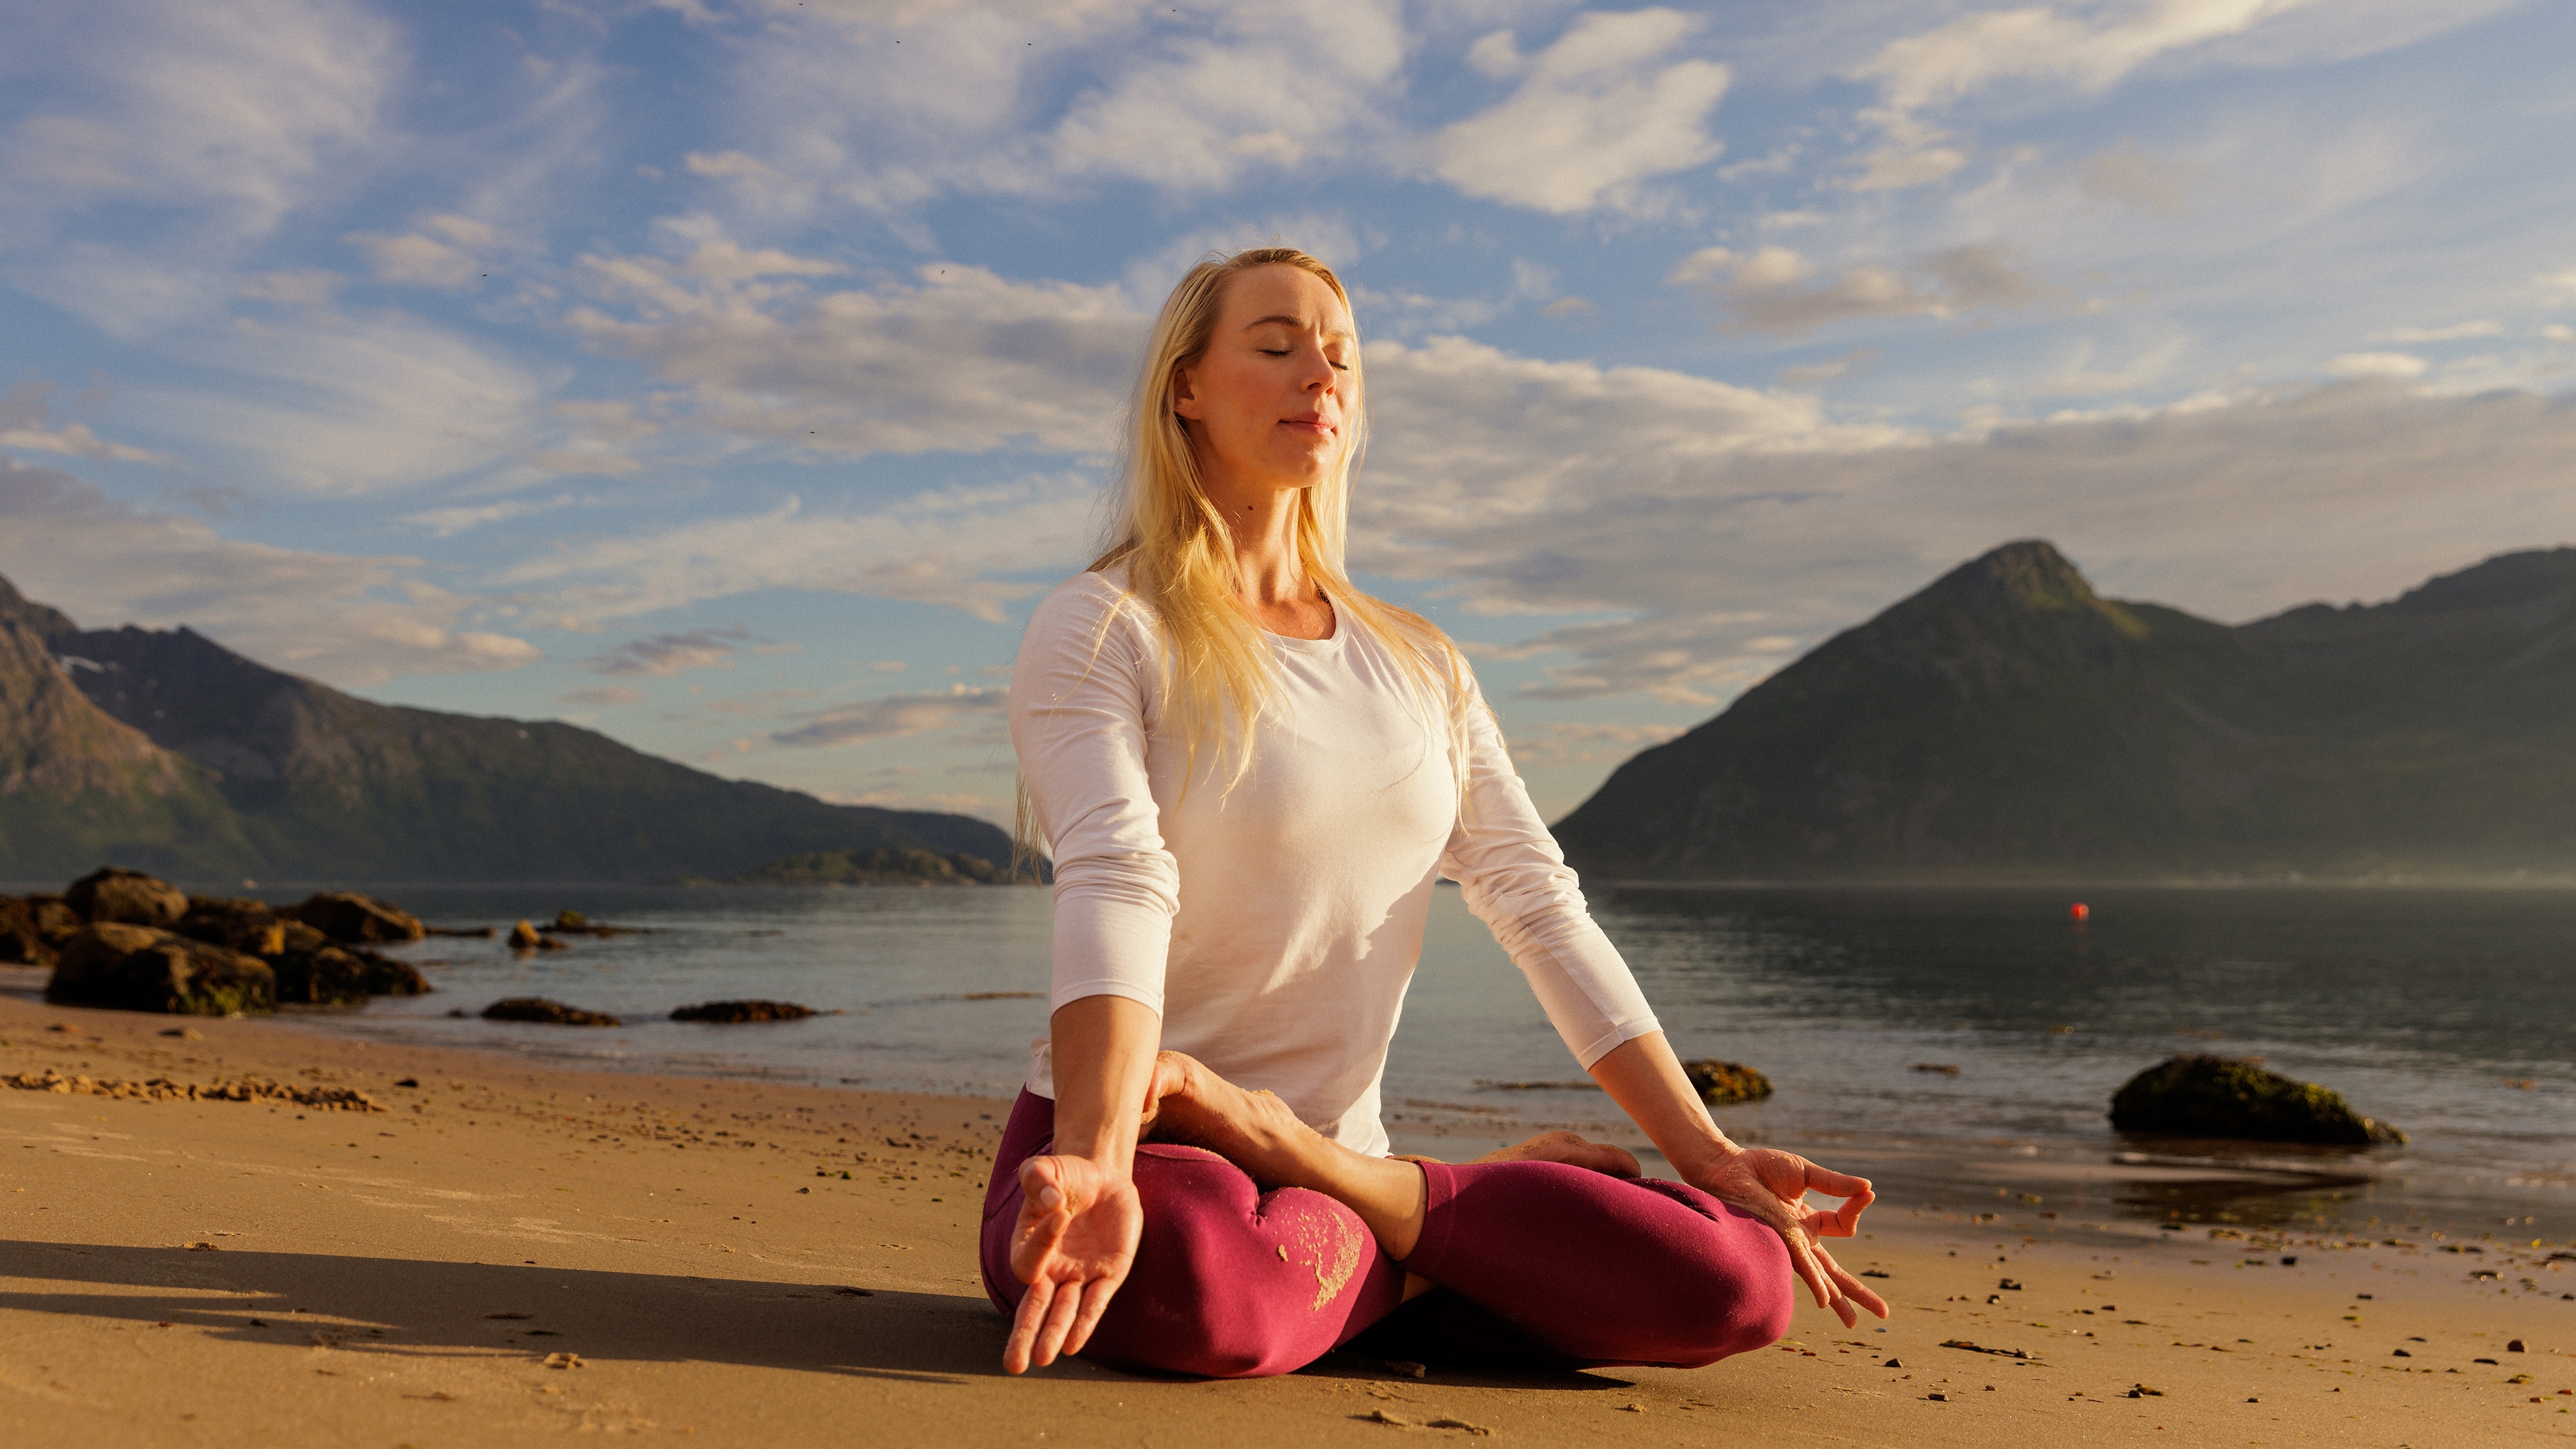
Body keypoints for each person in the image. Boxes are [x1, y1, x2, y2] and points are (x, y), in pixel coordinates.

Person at [986, 246, 1888, 1379]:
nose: (1320, 370)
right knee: (1193, 1286)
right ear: (1186, 386)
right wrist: (1097, 1157)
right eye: (1275, 346)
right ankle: (1440, 1234)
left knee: (1740, 1282)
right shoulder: (1106, 626)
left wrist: (1707, 1156)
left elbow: (1536, 906)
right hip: (1143, 1149)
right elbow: (1118, 876)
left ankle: (1367, 1196)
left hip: (1331, 1167)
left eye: (1341, 355)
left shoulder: (1421, 665)